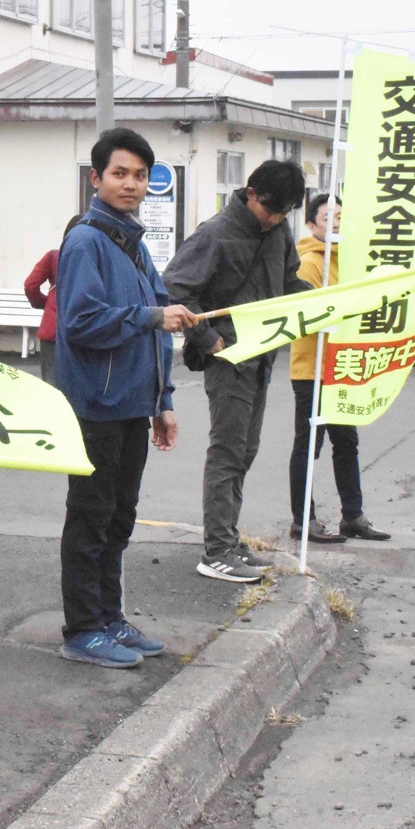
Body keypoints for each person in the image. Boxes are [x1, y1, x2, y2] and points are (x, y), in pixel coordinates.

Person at [55, 128, 197, 668]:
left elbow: (157, 325)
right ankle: (82, 629)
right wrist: (152, 316)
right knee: (90, 519)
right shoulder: (86, 241)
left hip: (133, 405)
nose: (131, 184)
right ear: (96, 178)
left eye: (140, 176)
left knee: (118, 518)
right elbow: (81, 322)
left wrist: (163, 402)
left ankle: (109, 618)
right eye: (119, 174)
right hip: (94, 406)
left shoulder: (131, 242)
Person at [164, 160, 312, 584]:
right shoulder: (214, 233)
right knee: (228, 452)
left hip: (262, 356)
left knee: (245, 451)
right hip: (228, 359)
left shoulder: (278, 232)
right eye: (270, 209)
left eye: (284, 213)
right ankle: (217, 551)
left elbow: (288, 282)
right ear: (251, 194)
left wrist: (325, 303)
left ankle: (228, 540)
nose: (275, 219)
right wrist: (209, 339)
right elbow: (174, 288)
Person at [286, 194, 391, 545]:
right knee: (308, 447)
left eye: (341, 216)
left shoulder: (350, 260)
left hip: (343, 366)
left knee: (347, 443)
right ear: (311, 224)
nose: (336, 222)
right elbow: (305, 313)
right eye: (328, 216)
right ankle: (303, 521)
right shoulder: (308, 263)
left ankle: (353, 516)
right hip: (312, 369)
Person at [24, 214, 85, 385]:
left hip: (52, 330)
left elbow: (30, 285)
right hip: (83, 330)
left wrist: (45, 304)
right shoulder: (95, 261)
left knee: (50, 383)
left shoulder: (53, 257)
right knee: (78, 384)